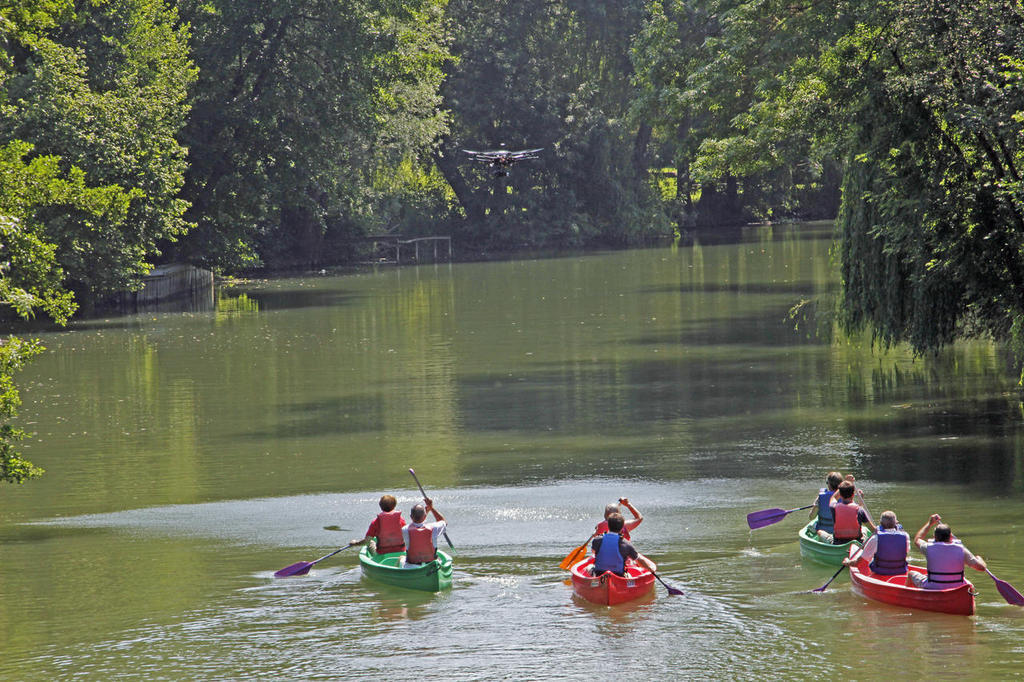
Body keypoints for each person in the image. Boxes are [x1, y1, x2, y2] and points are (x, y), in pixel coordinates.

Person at [909, 514, 987, 589]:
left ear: (934, 537)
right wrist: (979, 558)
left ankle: (909, 597)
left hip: (933, 586)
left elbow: (917, 540)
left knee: (910, 574)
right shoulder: (962, 549)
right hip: (957, 587)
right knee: (970, 586)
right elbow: (981, 568)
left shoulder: (928, 547)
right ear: (951, 537)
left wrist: (929, 523)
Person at [843, 510, 909, 575]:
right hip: (900, 572)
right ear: (896, 523)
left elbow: (859, 562)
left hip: (880, 573)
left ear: (881, 523)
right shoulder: (905, 536)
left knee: (867, 561)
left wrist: (848, 562)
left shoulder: (875, 539)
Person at [590, 513, 657, 577]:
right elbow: (639, 560)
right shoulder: (626, 544)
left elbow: (593, 552)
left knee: (589, 567)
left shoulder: (597, 540)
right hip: (618, 575)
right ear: (622, 527)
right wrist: (650, 569)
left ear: (608, 526)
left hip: (599, 574)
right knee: (630, 575)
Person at [401, 497, 447, 566]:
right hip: (430, 565)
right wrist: (431, 508)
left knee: (401, 558)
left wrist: (426, 511)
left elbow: (416, 523)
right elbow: (443, 521)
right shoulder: (434, 528)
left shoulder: (405, 529)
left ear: (411, 517)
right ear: (425, 516)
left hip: (411, 566)